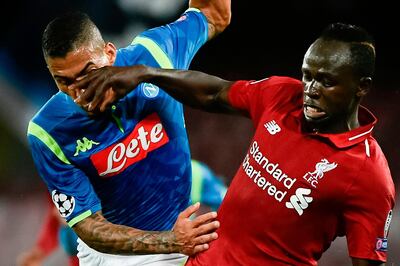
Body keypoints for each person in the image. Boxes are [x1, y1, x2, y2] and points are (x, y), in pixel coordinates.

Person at [70, 22, 396, 265]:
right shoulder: (283, 96)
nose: (310, 88)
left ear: (361, 87)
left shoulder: (368, 174)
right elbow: (214, 92)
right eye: (308, 74)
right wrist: (146, 74)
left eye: (327, 82)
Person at [26, 1, 231, 265]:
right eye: (63, 81)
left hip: (182, 231)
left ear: (110, 53)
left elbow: (214, 15)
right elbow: (88, 226)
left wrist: (149, 74)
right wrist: (170, 240)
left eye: (88, 73)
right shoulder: (47, 131)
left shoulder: (153, 54)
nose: (80, 93)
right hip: (117, 255)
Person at [17, 160, 227, 266]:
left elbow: (228, 206)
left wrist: (215, 249)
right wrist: (42, 248)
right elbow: (68, 234)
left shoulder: (193, 172)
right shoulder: (95, 179)